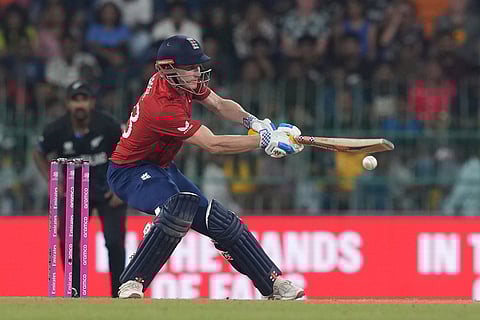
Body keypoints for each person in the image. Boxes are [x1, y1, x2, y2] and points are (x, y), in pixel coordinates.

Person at [107, 35, 305, 300]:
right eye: (190, 67)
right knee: (176, 209)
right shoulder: (161, 107)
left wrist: (255, 123)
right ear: (167, 69)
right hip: (129, 172)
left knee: (221, 222)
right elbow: (213, 145)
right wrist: (263, 141)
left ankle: (273, 285)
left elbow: (220, 105)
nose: (197, 72)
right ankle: (132, 282)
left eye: (197, 66)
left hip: (162, 167)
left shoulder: (180, 82)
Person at [33, 81, 127, 297]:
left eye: (84, 99)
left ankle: (119, 294)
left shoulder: (108, 125)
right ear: (67, 103)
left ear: (92, 102)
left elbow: (129, 149)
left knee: (114, 241)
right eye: (75, 100)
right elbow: (38, 152)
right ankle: (74, 292)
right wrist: (52, 179)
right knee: (69, 241)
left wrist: (121, 186)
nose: (80, 105)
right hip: (73, 193)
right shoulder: (56, 129)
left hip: (107, 190)